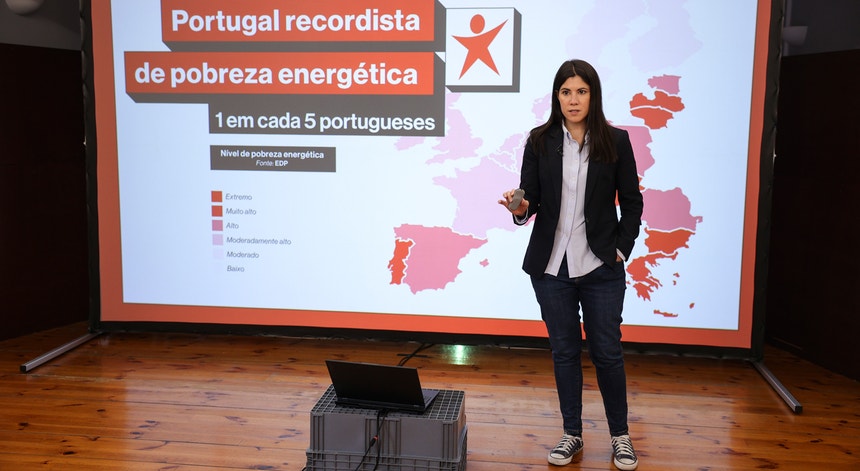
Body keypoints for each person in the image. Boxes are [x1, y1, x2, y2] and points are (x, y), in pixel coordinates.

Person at [498, 59, 643, 470]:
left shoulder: (615, 141)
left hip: (600, 267)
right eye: (566, 92)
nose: (573, 100)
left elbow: (632, 202)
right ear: (556, 97)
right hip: (551, 268)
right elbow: (530, 201)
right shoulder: (539, 140)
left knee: (607, 352)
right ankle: (572, 433)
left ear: (593, 96)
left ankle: (620, 437)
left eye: (581, 91)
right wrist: (519, 207)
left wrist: (621, 250)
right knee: (564, 352)